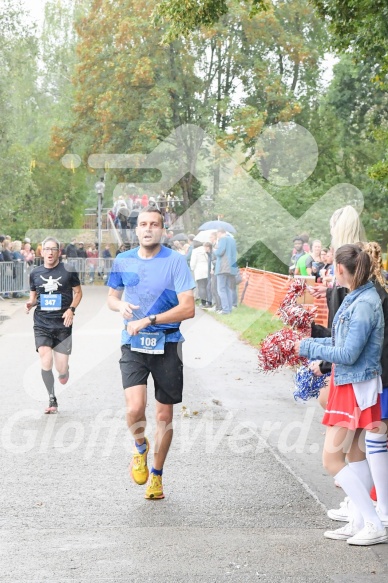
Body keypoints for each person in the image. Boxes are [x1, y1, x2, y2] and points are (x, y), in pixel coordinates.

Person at [295, 244, 387, 546]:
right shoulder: (360, 296)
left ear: (342, 269)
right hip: (354, 383)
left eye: (334, 268)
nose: (332, 272)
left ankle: (372, 521)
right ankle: (360, 520)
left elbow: (347, 353)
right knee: (355, 455)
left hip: (353, 386)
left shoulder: (362, 303)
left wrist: (308, 348)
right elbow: (343, 341)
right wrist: (311, 343)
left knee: (332, 460)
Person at [107, 206, 195, 500]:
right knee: (134, 409)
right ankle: (140, 446)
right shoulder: (123, 260)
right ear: (137, 229)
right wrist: (119, 306)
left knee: (164, 415)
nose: (148, 229)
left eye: (154, 224)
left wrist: (151, 319)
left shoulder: (175, 262)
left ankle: (157, 476)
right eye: (143, 224)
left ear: (162, 230)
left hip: (168, 342)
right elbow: (111, 297)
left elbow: (188, 307)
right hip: (132, 342)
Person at [25, 237, 82, 413]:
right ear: (41, 252)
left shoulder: (68, 270)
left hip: (62, 323)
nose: (50, 252)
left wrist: (71, 309)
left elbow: (78, 293)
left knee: (61, 369)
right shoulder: (35, 273)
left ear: (59, 251)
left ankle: (65, 371)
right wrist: (30, 303)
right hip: (42, 322)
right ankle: (52, 399)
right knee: (45, 358)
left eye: (53, 249)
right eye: (46, 249)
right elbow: (34, 297)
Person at [214, 229, 238, 314]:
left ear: (220, 233)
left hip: (223, 267)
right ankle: (229, 308)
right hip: (232, 267)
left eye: (217, 234)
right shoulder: (232, 240)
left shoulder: (223, 239)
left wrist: (215, 250)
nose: (218, 236)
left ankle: (225, 309)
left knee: (221, 289)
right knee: (228, 288)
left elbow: (220, 252)